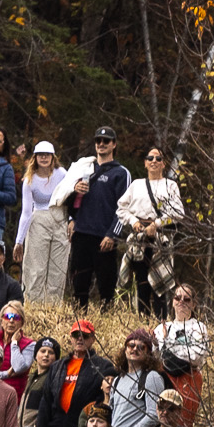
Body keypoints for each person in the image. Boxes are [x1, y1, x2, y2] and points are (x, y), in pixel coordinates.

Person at [66, 128, 134, 309]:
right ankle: (79, 320)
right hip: (81, 232)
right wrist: (71, 219)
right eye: (98, 141)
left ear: (114, 144)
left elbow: (124, 208)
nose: (101, 144)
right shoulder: (84, 168)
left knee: (106, 284)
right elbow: (67, 198)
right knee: (79, 282)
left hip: (104, 236)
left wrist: (112, 235)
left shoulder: (121, 173)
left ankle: (106, 316)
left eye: (106, 141)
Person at [117, 148, 188, 317]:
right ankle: (141, 319)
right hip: (139, 237)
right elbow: (121, 208)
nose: (154, 161)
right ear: (145, 163)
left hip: (160, 239)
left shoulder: (170, 185)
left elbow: (178, 212)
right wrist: (133, 221)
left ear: (163, 164)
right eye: (150, 157)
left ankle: (160, 322)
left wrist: (157, 223)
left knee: (160, 285)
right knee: (141, 281)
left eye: (158, 158)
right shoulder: (136, 185)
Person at [20, 138, 70, 298]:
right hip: (38, 221)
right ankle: (33, 308)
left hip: (60, 219)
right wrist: (19, 241)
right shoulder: (30, 180)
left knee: (57, 269)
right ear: (35, 157)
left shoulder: (61, 174)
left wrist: (71, 220)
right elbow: (26, 212)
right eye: (40, 154)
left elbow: (72, 197)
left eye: (47, 154)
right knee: (35, 269)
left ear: (53, 157)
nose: (44, 158)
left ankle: (53, 311)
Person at [156, 283, 210, 417]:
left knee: (182, 422)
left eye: (186, 299)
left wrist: (168, 346)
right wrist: (181, 351)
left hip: (188, 379)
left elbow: (195, 356)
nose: (181, 302)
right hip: (164, 378)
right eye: (177, 298)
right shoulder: (162, 327)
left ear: (193, 304)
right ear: (172, 302)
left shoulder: (199, 327)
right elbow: (155, 356)